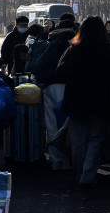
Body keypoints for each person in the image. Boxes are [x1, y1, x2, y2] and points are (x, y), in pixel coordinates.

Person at [46, 16, 110, 185]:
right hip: (101, 101)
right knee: (96, 139)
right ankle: (88, 176)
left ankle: (79, 173)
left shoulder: (74, 49)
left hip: (76, 101)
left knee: (78, 141)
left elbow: (60, 71)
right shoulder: (108, 50)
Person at [32, 12, 77, 170]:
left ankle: (55, 159)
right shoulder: (75, 47)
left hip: (51, 88)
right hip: (71, 88)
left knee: (51, 124)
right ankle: (69, 159)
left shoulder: (51, 45)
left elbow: (38, 66)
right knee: (68, 124)